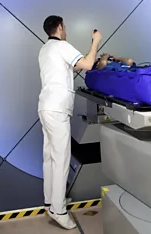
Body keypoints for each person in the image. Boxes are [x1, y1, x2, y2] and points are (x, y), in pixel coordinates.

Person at [37, 15, 102, 230]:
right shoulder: (61, 45)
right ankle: (59, 210)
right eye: (65, 27)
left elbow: (75, 66)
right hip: (56, 109)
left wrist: (88, 59)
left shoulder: (46, 50)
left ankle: (50, 202)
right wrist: (95, 41)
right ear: (59, 27)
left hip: (45, 107)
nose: (66, 31)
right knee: (61, 158)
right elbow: (87, 63)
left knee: (49, 157)